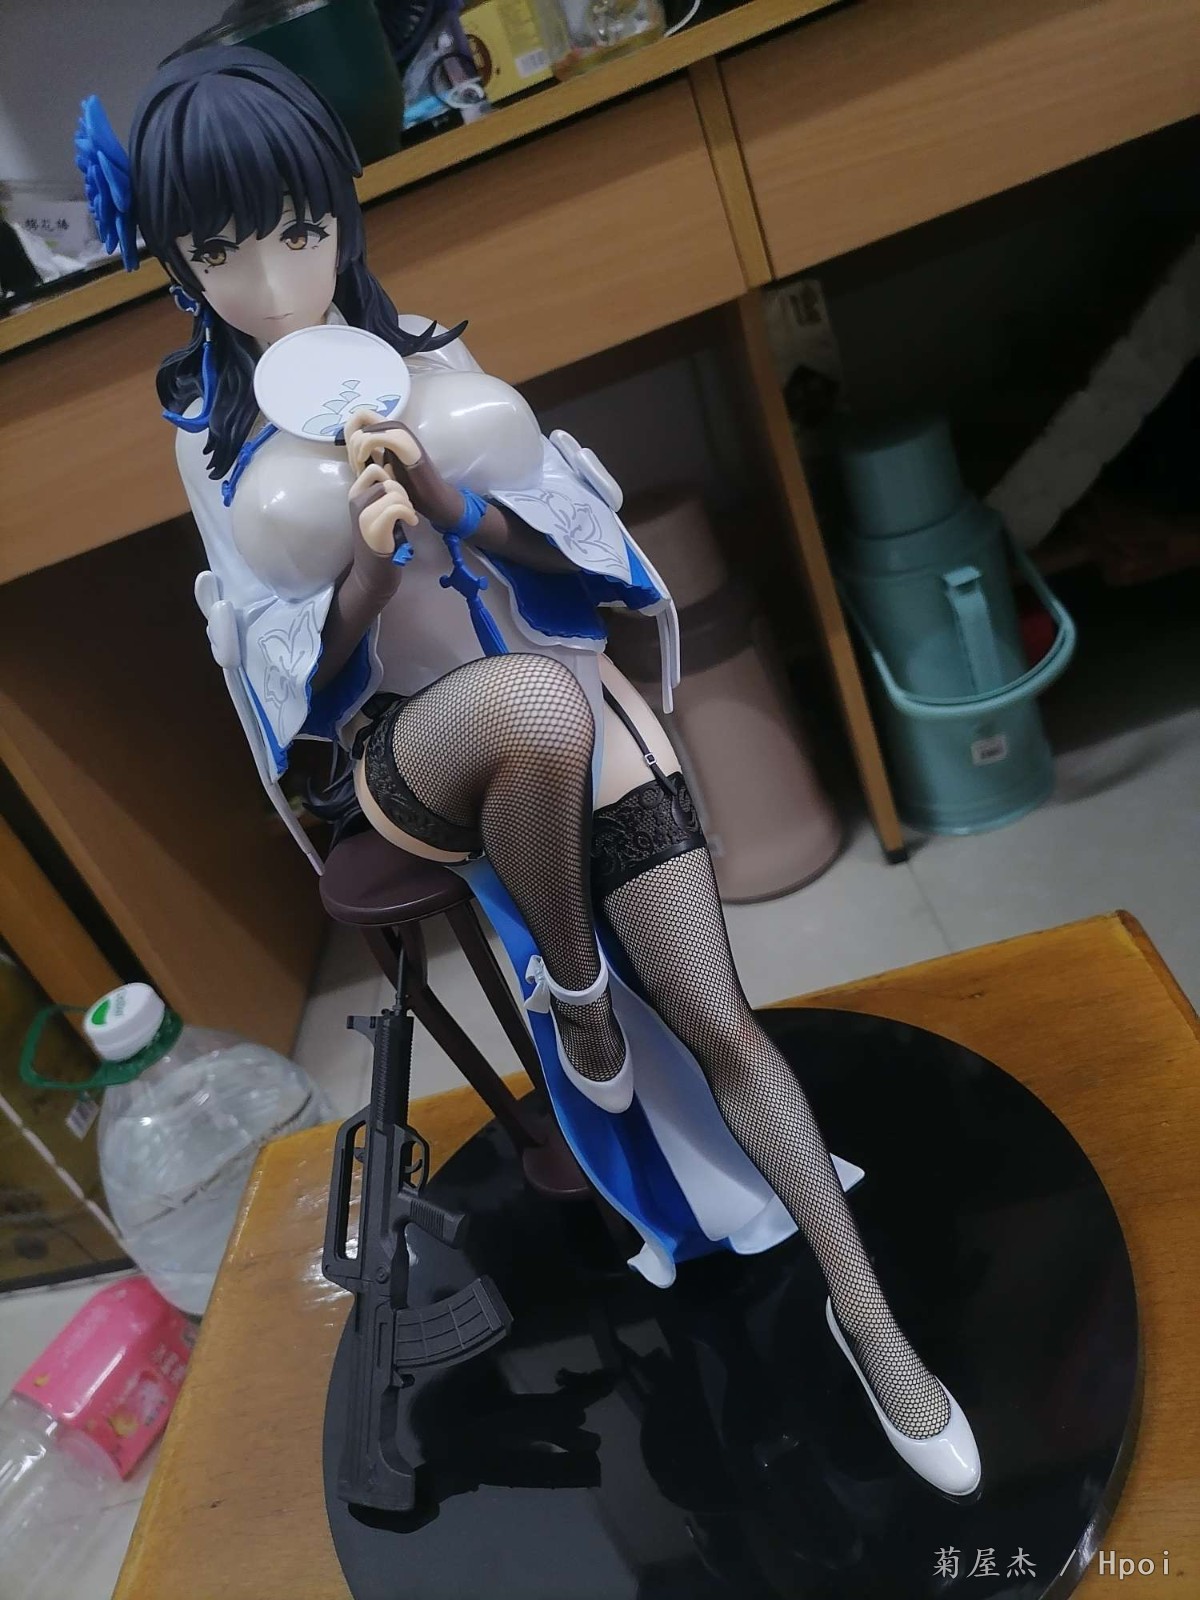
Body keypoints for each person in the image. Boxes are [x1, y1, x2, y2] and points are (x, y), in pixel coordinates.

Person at [77, 45, 979, 1495]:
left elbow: (570, 544)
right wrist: (367, 577)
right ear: (179, 263)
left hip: (549, 688)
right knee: (530, 708)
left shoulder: (429, 354)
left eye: (299, 230)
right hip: (398, 747)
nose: (274, 280)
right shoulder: (209, 434)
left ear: (343, 212)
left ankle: (874, 1325)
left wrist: (454, 507)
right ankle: (577, 992)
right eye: (223, 251)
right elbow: (277, 659)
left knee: (717, 1011)